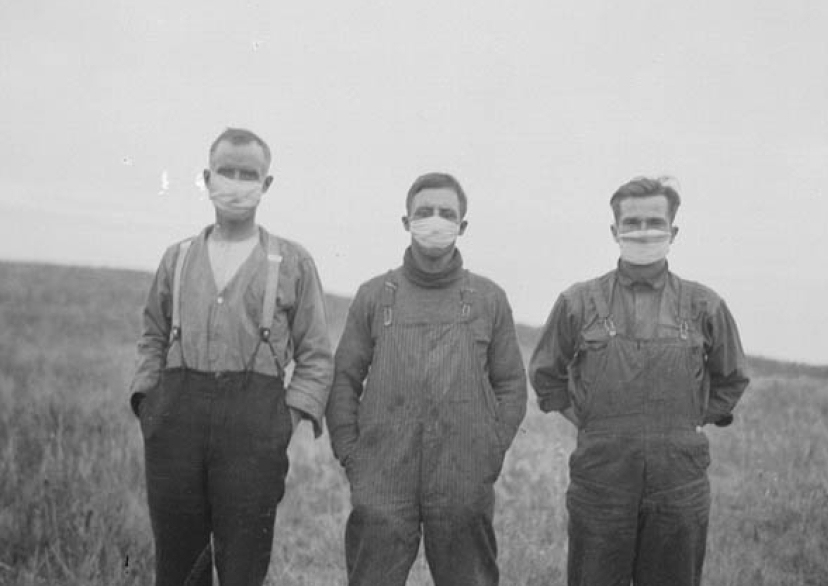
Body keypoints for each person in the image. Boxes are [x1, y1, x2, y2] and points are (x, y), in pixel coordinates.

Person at [129, 128, 334, 586]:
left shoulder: (292, 261)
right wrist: (149, 405)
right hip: (176, 420)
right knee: (179, 565)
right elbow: (152, 335)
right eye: (227, 171)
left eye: (248, 174)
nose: (236, 182)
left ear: (266, 184)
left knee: (243, 561)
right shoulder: (177, 258)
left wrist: (287, 419)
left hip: (254, 424)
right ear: (206, 177)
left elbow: (316, 355)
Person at [529, 176, 750, 586]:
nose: (643, 231)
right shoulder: (577, 302)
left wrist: (690, 420)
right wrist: (588, 420)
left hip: (678, 484)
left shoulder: (705, 304)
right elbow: (545, 374)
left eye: (654, 221)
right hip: (601, 482)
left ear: (674, 231)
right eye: (632, 222)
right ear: (614, 231)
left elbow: (732, 377)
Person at [326, 172, 527, 586]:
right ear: (406, 221)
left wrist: (489, 452)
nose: (435, 220)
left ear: (462, 226)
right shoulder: (374, 295)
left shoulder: (488, 299)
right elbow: (344, 380)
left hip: (462, 477)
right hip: (382, 477)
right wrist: (352, 457)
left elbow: (511, 385)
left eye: (446, 213)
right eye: (424, 212)